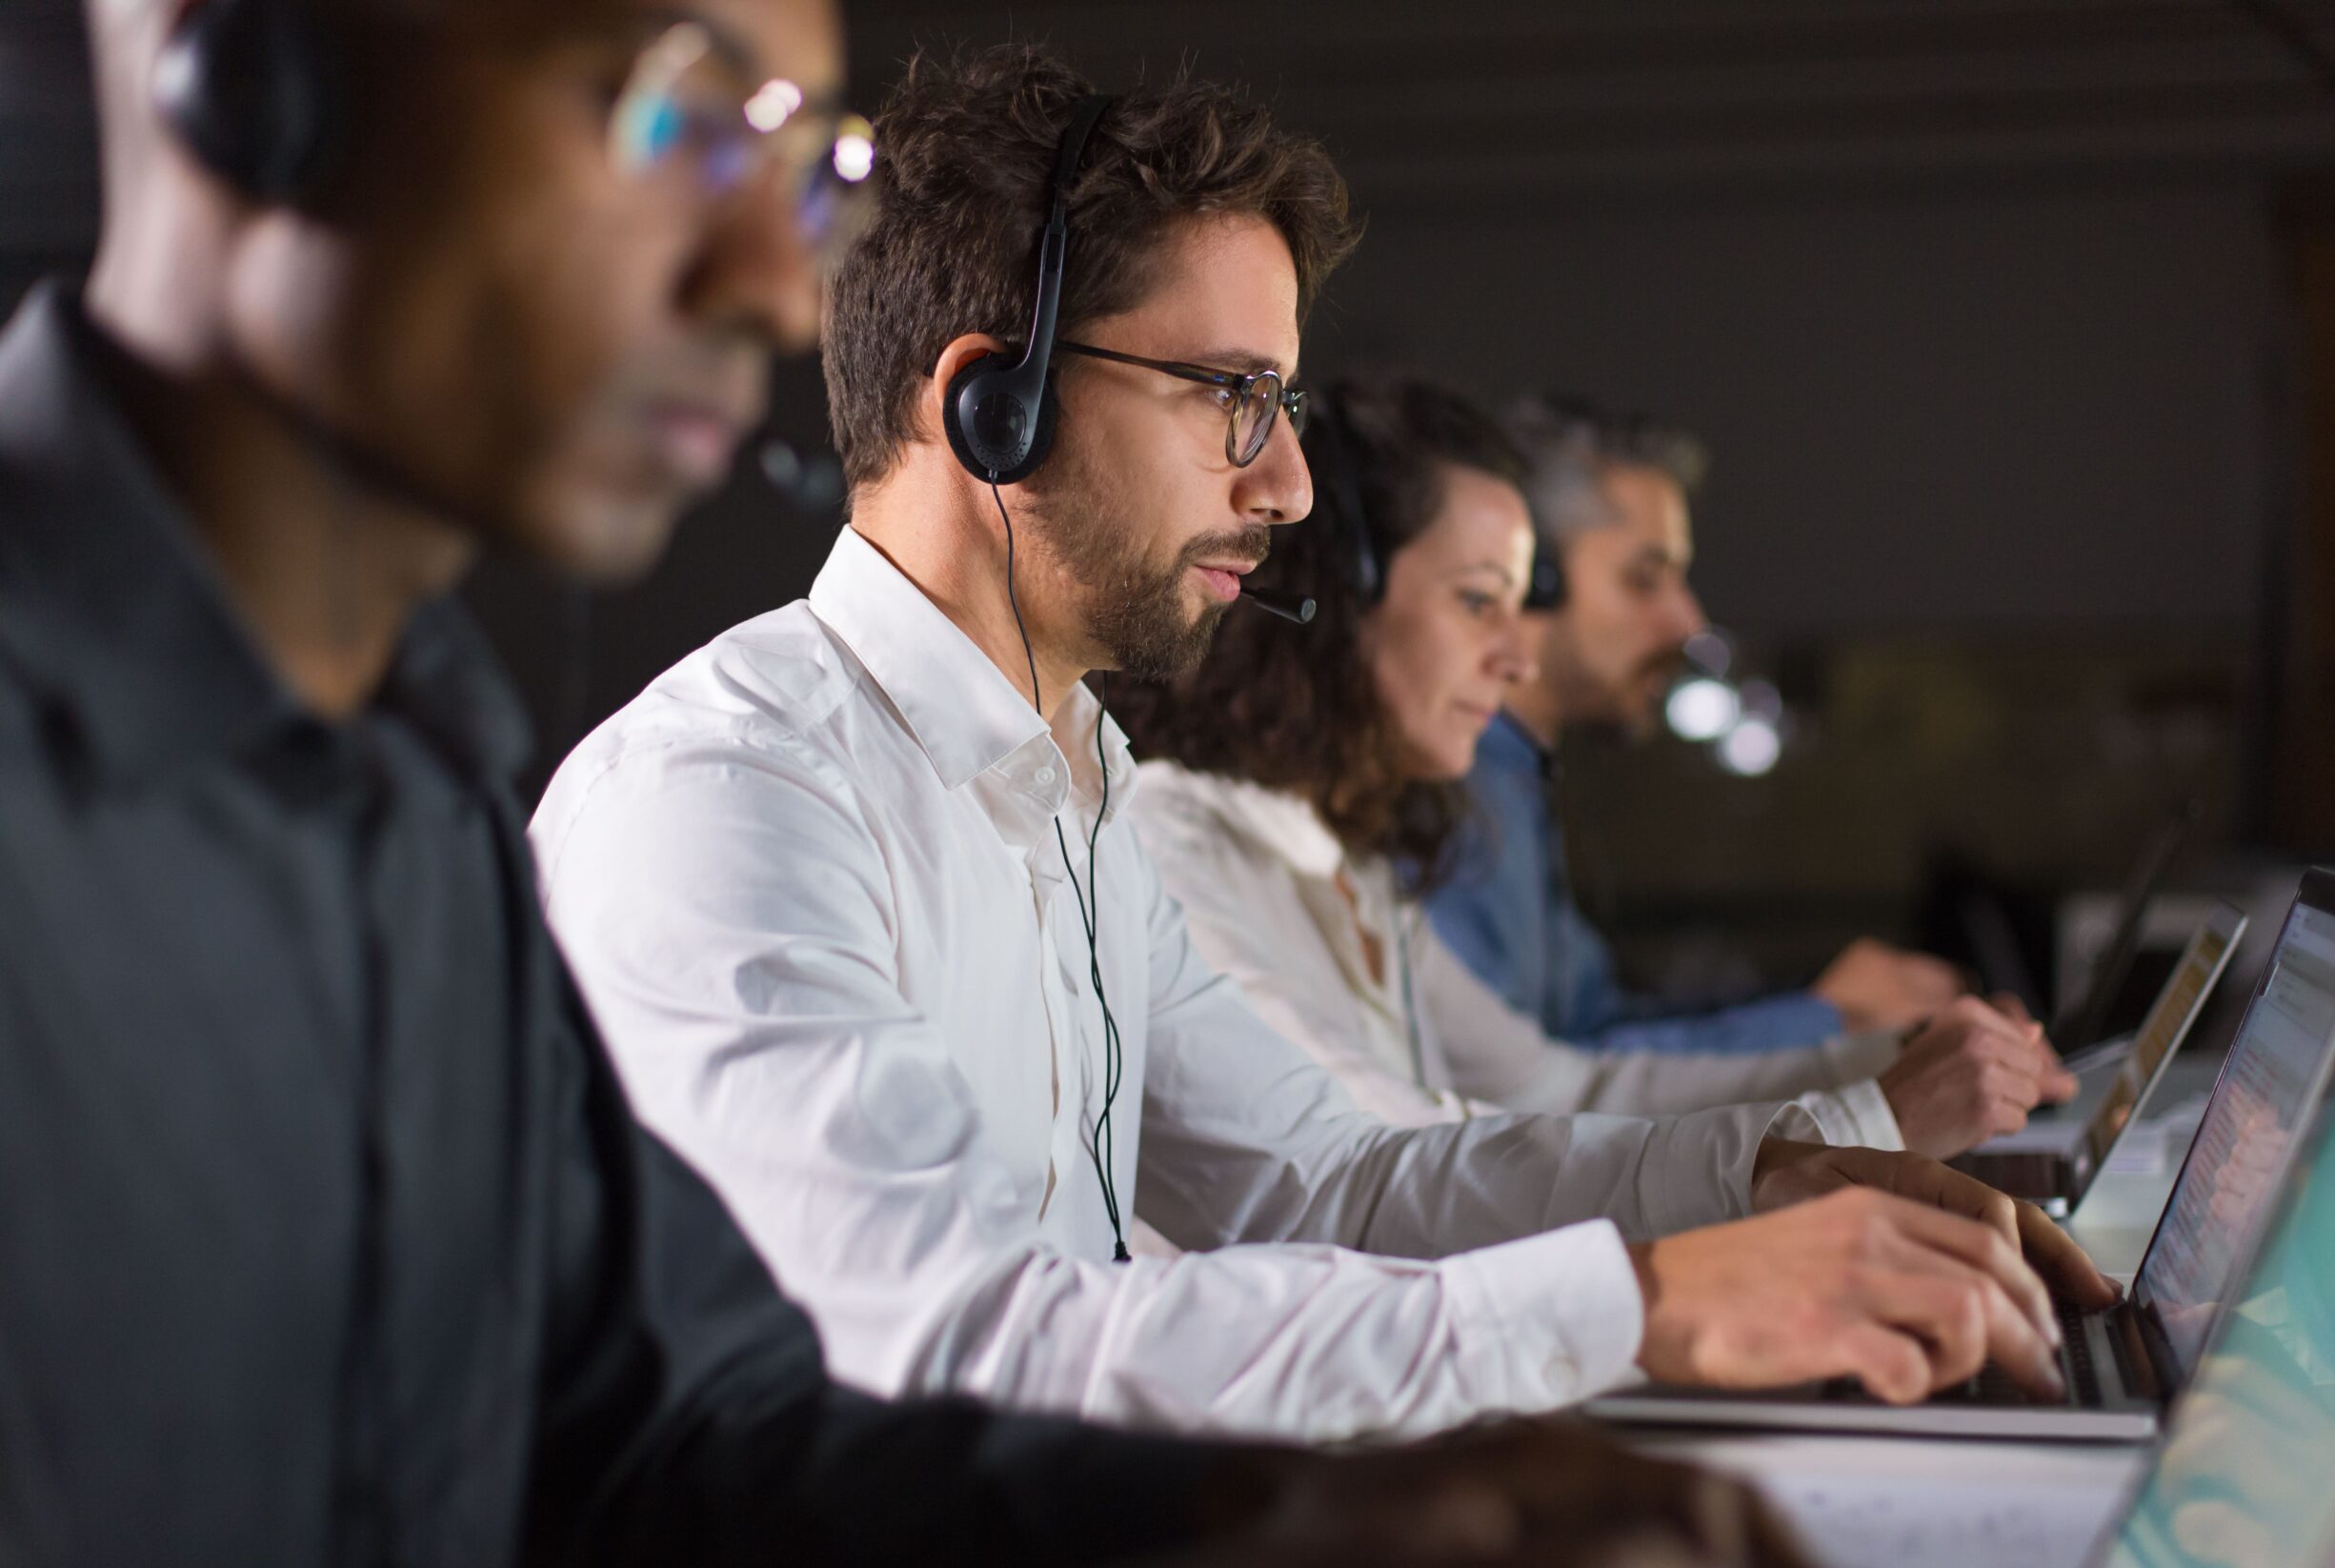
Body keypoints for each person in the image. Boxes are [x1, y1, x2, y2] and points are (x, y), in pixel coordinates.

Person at [0, 1, 1858, 1568]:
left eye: (793, 160)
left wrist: (1343, 1520)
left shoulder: (403, 812)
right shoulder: (706, 795)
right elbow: (905, 1357)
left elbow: (685, 1453)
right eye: (666, 104)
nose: (760, 272)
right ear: (245, 73)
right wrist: (1603, 1320)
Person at [531, 42, 2114, 1454]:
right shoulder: (731, 801)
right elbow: (953, 1349)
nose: (1286, 485)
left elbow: (1331, 1182)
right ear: (990, 407)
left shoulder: (1079, 784)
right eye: (1232, 396)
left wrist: (1778, 1182)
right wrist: (1641, 1305)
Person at [1109, 373, 2074, 1163]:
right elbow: (1376, 1171)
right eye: (1479, 601)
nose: (1518, 657)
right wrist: (1860, 1119)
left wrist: (1881, 1064)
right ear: (1336, 601)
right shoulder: (1176, 847)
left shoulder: (1344, 861)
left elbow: (1563, 1089)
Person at [1425, 393, 1969, 1053]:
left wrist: (1824, 1002)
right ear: (1530, 575)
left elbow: (1591, 1025)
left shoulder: (1514, 781)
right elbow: (1520, 1086)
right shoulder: (1444, 786)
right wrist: (1822, 1021)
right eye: (1645, 578)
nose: (1687, 621)